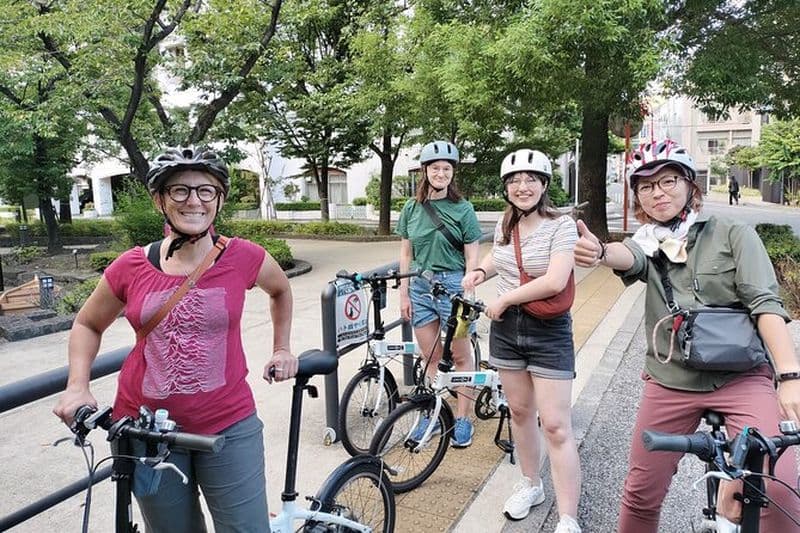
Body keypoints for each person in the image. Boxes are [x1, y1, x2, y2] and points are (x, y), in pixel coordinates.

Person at [54, 147, 298, 533]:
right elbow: (87, 324)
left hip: (228, 425)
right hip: (146, 431)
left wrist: (282, 348)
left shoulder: (244, 257)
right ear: (160, 200)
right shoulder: (131, 266)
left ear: (219, 199)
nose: (194, 201)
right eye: (180, 190)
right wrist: (77, 386)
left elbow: (281, 290)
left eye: (206, 191)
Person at [574, 139, 800, 532]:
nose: (657, 193)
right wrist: (600, 253)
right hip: (670, 381)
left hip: (741, 378)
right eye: (646, 186)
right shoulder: (647, 241)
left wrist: (790, 377)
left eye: (667, 181)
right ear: (638, 198)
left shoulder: (732, 233)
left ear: (689, 185)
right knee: (641, 492)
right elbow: (629, 257)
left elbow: (766, 304)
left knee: (777, 489)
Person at [462, 149, 582, 533]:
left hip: (548, 329)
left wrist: (504, 299)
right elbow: (501, 258)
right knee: (519, 413)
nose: (522, 186)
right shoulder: (505, 223)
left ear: (544, 184)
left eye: (531, 179)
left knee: (557, 425)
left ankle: (568, 517)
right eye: (514, 181)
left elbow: (555, 279)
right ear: (506, 189)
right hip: (507, 331)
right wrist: (480, 272)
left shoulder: (560, 225)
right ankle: (531, 484)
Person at [396, 140, 482, 448]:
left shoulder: (463, 209)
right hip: (420, 287)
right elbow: (406, 254)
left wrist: (468, 290)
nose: (441, 173)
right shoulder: (411, 208)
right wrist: (403, 294)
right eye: (436, 168)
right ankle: (432, 416)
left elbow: (473, 254)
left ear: (452, 173)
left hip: (453, 288)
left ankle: (463, 418)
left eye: (447, 169)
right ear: (425, 171)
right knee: (429, 355)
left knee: (459, 355)